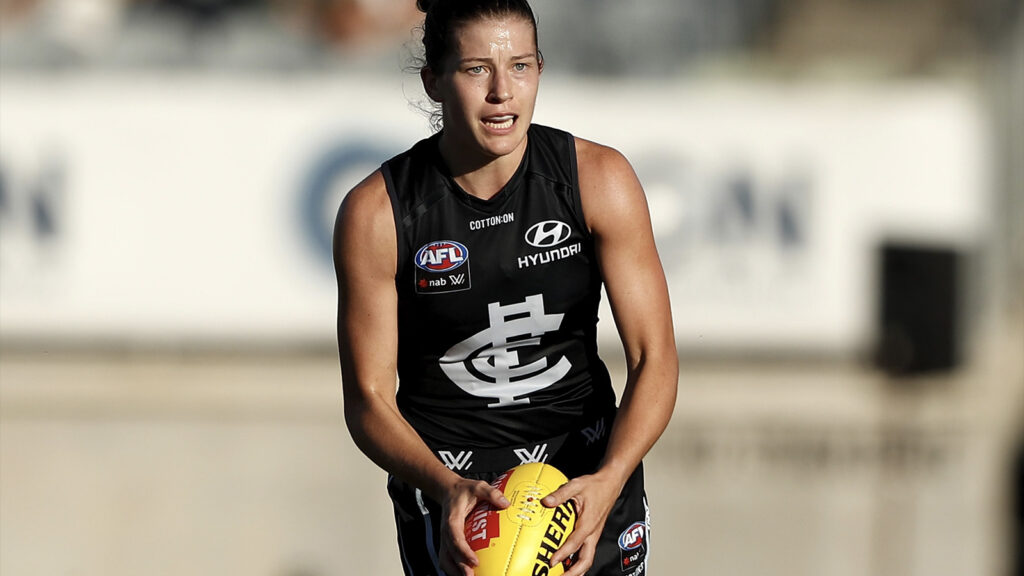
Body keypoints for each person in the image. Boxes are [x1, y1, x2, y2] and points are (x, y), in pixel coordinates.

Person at [333, 1, 677, 574]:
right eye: (475, 69)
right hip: (455, 497)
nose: (502, 92)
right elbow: (368, 400)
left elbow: (655, 359)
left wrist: (610, 478)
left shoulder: (598, 180)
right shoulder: (377, 213)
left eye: (520, 66)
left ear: (541, 69)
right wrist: (445, 488)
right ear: (433, 80)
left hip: (586, 478)